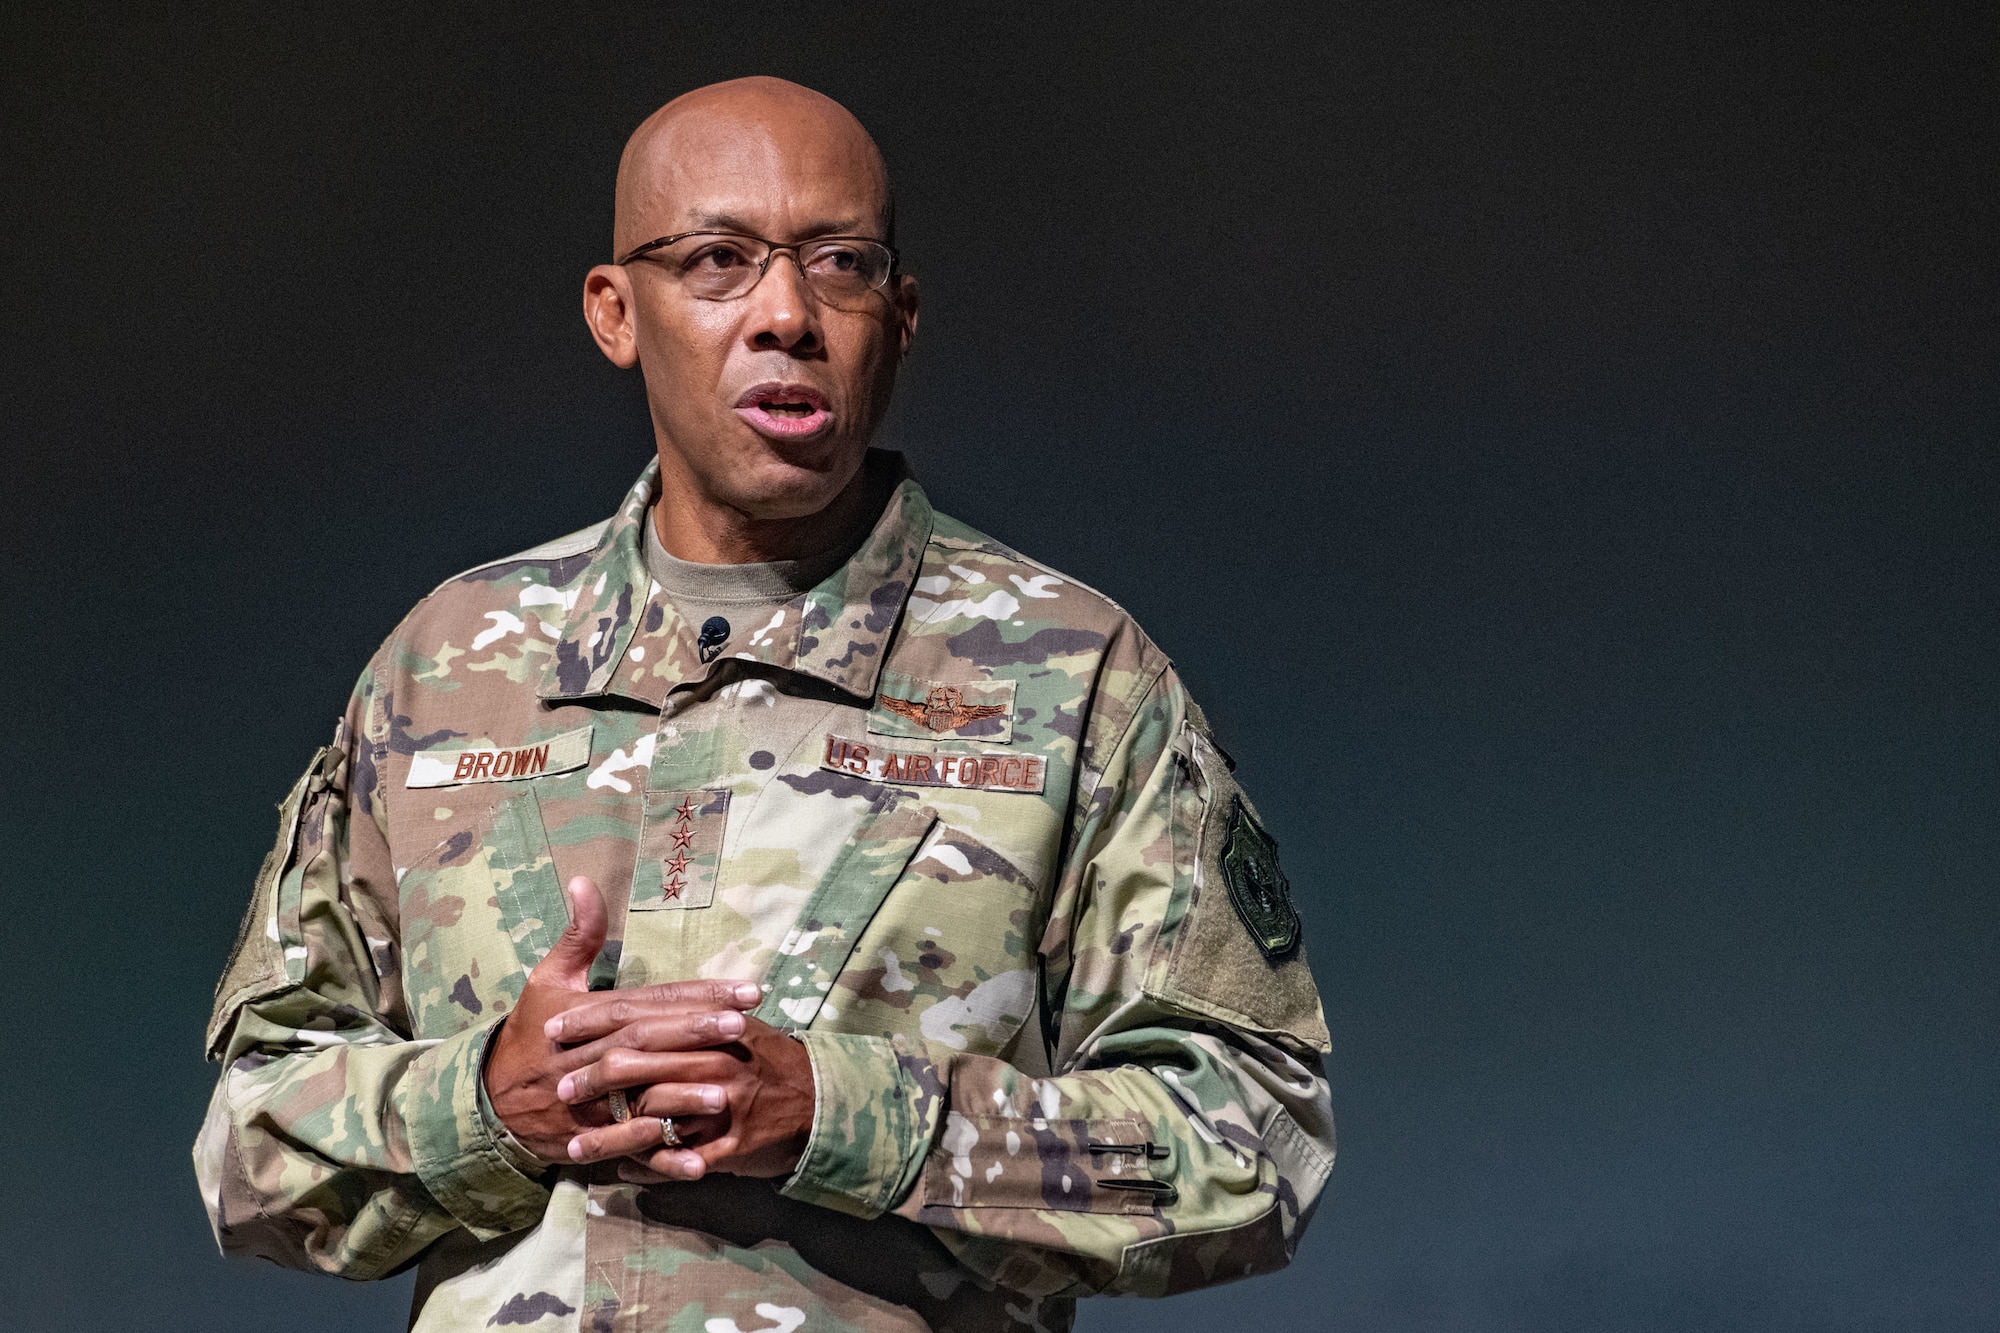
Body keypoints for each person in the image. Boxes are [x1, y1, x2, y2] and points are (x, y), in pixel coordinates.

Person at [194, 76, 1335, 1333]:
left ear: (897, 320)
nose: (784, 314)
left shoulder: (1073, 674)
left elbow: (1250, 1142)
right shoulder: (444, 666)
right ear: (615, 313)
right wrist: (488, 1108)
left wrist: (847, 1116)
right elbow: (251, 1148)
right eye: (718, 261)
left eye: (839, 264)